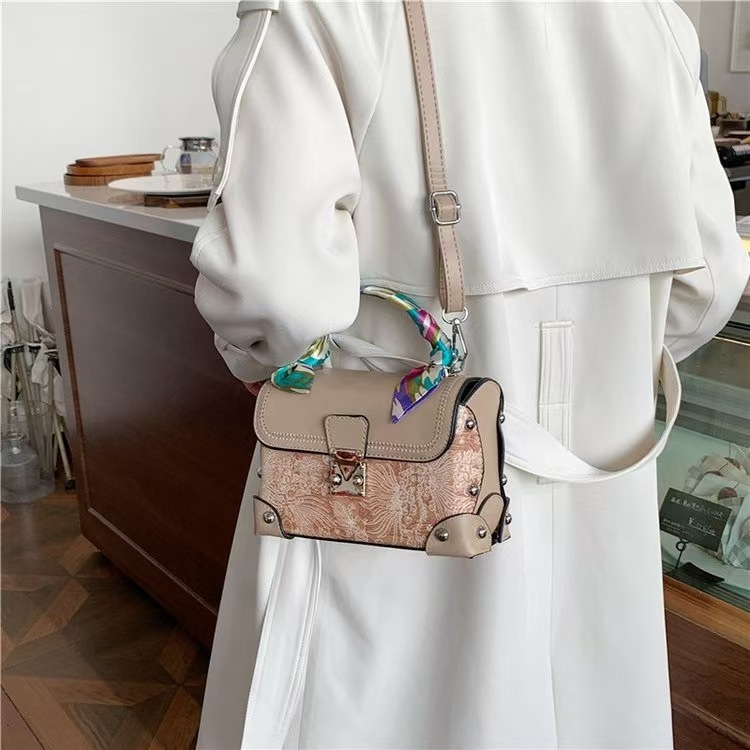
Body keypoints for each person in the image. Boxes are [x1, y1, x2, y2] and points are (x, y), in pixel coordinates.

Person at [191, 2, 750, 748]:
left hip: (387, 464)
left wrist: (264, 363)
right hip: (603, 479)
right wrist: (609, 357)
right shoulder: (655, 16)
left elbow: (272, 289)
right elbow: (708, 287)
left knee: (376, 705)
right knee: (592, 704)